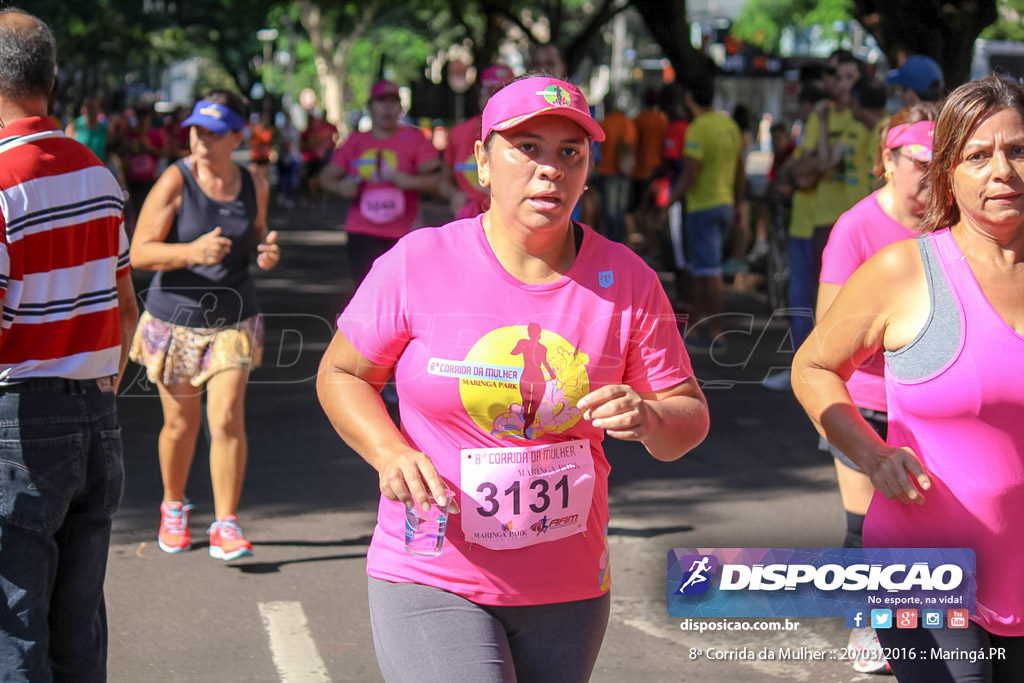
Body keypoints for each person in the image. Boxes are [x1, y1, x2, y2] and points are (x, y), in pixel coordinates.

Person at [316, 74, 709, 683]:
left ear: (586, 169)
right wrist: (389, 451)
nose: (549, 169)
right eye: (527, 148)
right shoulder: (419, 262)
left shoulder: (628, 280)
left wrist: (652, 416)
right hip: (433, 567)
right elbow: (341, 372)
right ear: (482, 160)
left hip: (569, 586)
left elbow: (687, 421)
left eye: (569, 153)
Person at [792, 75, 1024, 682]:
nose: (1002, 170)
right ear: (949, 172)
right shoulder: (902, 270)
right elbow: (813, 366)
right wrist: (871, 456)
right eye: (978, 155)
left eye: (1018, 150)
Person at [0, 9, 140, 679]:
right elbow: (125, 303)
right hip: (94, 414)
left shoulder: (2, 182)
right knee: (78, 624)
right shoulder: (99, 175)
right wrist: (100, 380)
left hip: (19, 422)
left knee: (16, 627)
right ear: (52, 78)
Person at [129, 91, 281, 561]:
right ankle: (173, 506)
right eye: (196, 130)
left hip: (233, 317)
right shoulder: (175, 179)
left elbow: (255, 238)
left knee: (227, 419)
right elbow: (139, 252)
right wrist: (190, 252)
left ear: (237, 136)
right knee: (180, 425)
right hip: (174, 319)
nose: (200, 140)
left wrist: (265, 252)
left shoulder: (254, 182)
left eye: (214, 133)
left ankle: (226, 523)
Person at [816, 103, 938, 674]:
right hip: (864, 404)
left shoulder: (951, 225)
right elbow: (826, 334)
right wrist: (900, 332)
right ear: (888, 162)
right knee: (866, 525)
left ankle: (928, 629)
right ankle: (867, 627)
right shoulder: (856, 228)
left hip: (932, 408)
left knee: (929, 527)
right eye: (920, 161)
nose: (930, 173)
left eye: (942, 162)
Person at [320, 80, 442, 286]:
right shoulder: (356, 141)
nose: (387, 107)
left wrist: (407, 181)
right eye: (380, 101)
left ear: (400, 108)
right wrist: (341, 187)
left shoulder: (414, 139)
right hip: (362, 233)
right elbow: (326, 178)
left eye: (392, 101)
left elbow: (438, 181)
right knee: (368, 293)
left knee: (405, 294)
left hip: (404, 233)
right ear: (370, 107)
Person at [668, 73, 744, 351]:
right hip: (723, 204)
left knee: (709, 273)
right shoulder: (729, 125)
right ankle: (698, 328)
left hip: (703, 206)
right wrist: (738, 204)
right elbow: (741, 169)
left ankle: (717, 333)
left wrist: (670, 200)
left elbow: (690, 173)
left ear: (689, 98)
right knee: (702, 271)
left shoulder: (698, 128)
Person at [440, 64, 514, 220]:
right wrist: (455, 195)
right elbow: (443, 182)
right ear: (480, 94)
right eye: (490, 91)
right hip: (468, 222)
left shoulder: (524, 133)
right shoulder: (458, 133)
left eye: (502, 92)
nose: (495, 98)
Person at [595, 91, 637, 242]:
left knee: (610, 212)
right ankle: (621, 242)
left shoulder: (603, 123)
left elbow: (596, 149)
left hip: (607, 172)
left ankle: (613, 242)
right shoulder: (626, 122)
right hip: (624, 172)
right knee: (621, 211)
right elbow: (631, 145)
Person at [65, 96, 108, 161]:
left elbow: (108, 152)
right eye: (89, 107)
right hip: (79, 168)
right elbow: (67, 151)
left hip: (99, 168)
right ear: (83, 109)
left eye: (94, 107)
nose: (92, 111)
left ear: (99, 110)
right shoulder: (73, 127)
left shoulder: (104, 129)